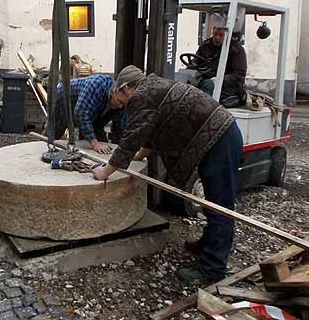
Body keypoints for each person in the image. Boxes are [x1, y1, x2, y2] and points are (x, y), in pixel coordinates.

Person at [92, 70, 243, 283]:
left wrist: (106, 171)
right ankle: (209, 245)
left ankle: (212, 268)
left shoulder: (141, 97)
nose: (121, 103)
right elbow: (152, 132)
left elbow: (134, 135)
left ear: (126, 87)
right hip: (219, 136)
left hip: (220, 139)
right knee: (212, 199)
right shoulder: (153, 88)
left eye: (119, 94)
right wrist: (137, 156)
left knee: (221, 206)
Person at [54, 67, 145, 154]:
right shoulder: (96, 85)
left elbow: (123, 127)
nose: (120, 106)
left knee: (99, 140)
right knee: (53, 134)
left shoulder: (121, 99)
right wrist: (95, 144)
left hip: (92, 110)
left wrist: (132, 147)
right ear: (124, 88)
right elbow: (81, 113)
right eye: (120, 102)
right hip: (62, 99)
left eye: (123, 104)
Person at [196, 25, 247, 103]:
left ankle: (206, 110)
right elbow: (196, 61)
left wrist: (218, 80)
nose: (217, 37)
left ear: (227, 35)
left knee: (207, 85)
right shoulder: (206, 45)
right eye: (215, 34)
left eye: (221, 35)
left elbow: (239, 75)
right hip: (206, 79)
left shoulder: (236, 49)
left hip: (228, 87)